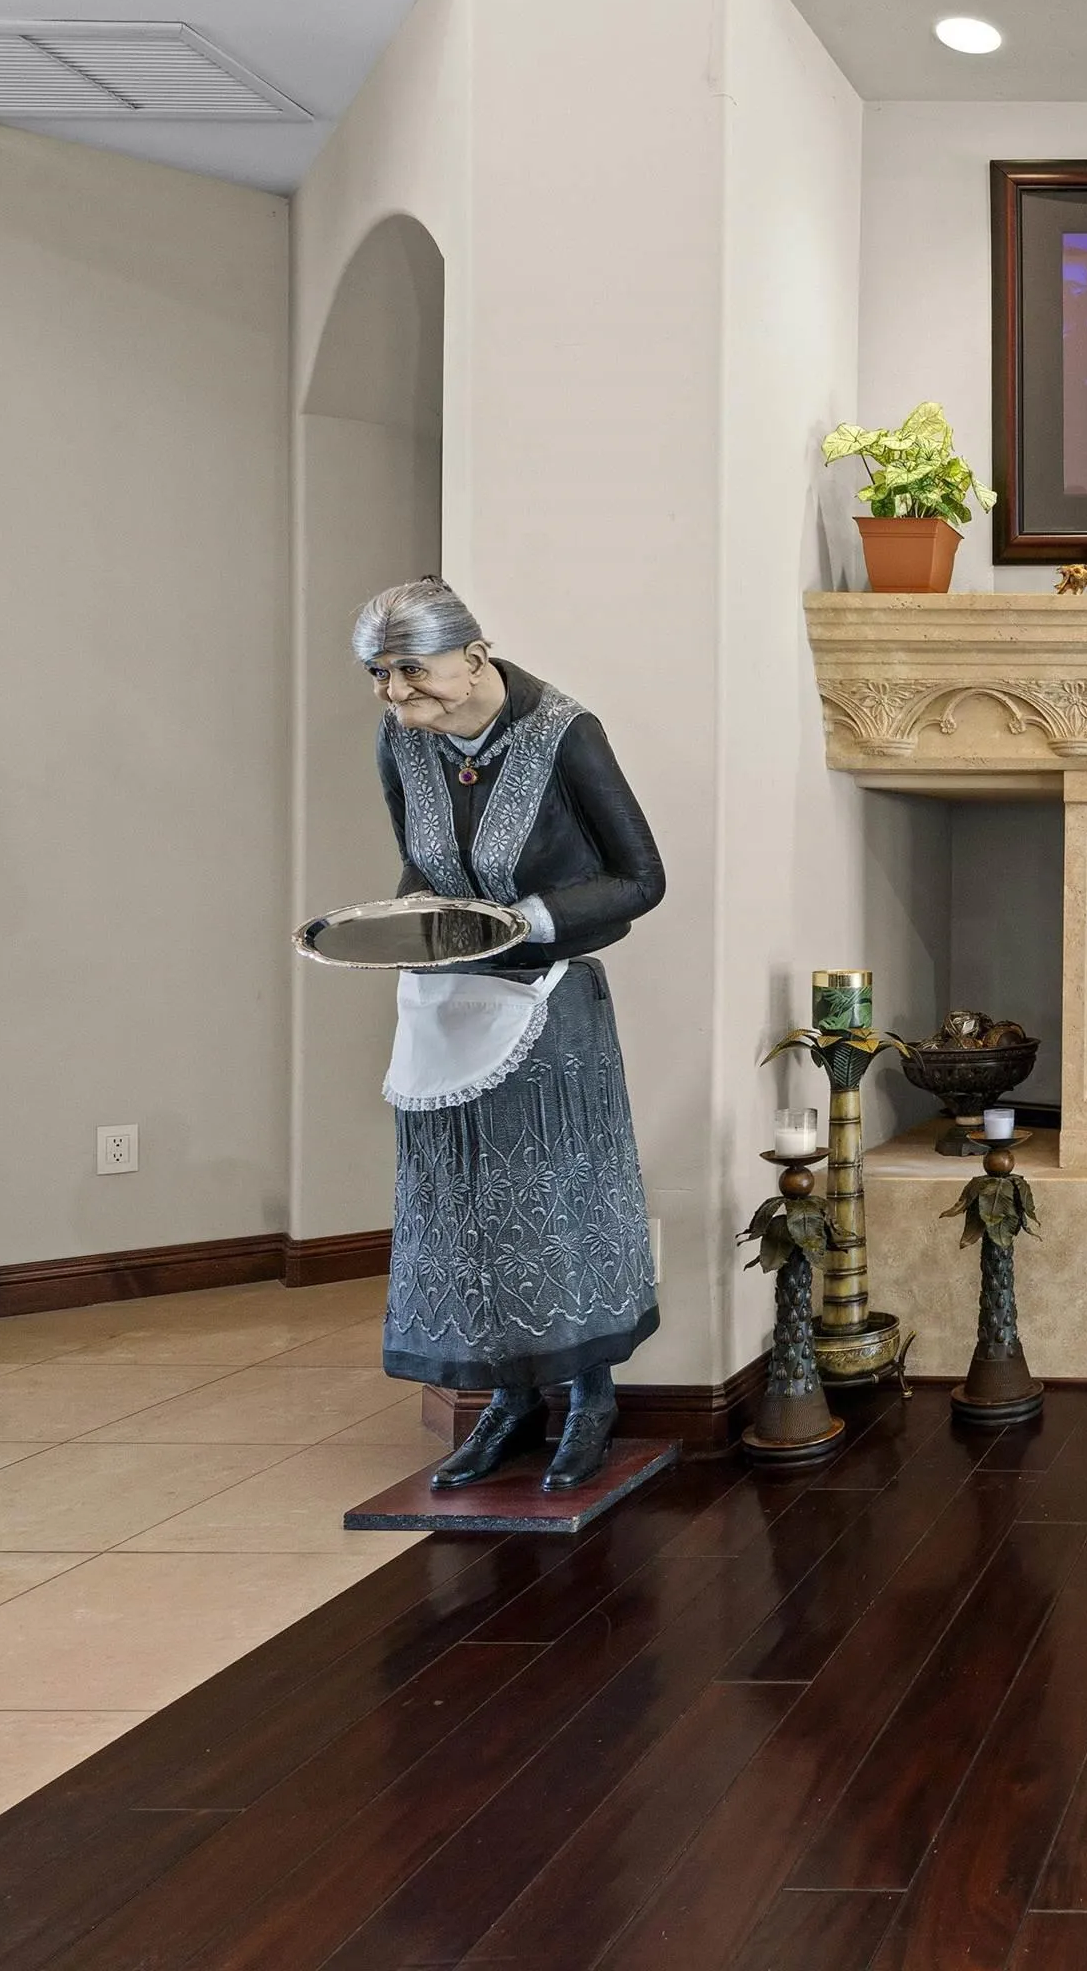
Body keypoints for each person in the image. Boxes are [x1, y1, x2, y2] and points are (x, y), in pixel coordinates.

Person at [356, 578, 666, 1492]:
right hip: (446, 1002)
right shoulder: (401, 741)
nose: (396, 695)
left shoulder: (565, 734)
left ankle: (589, 1396)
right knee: (461, 1203)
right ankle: (506, 1398)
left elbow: (640, 877)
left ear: (475, 657)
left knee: (552, 1197)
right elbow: (420, 857)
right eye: (380, 676)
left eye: (412, 672)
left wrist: (522, 922)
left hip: (546, 998)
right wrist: (411, 922)